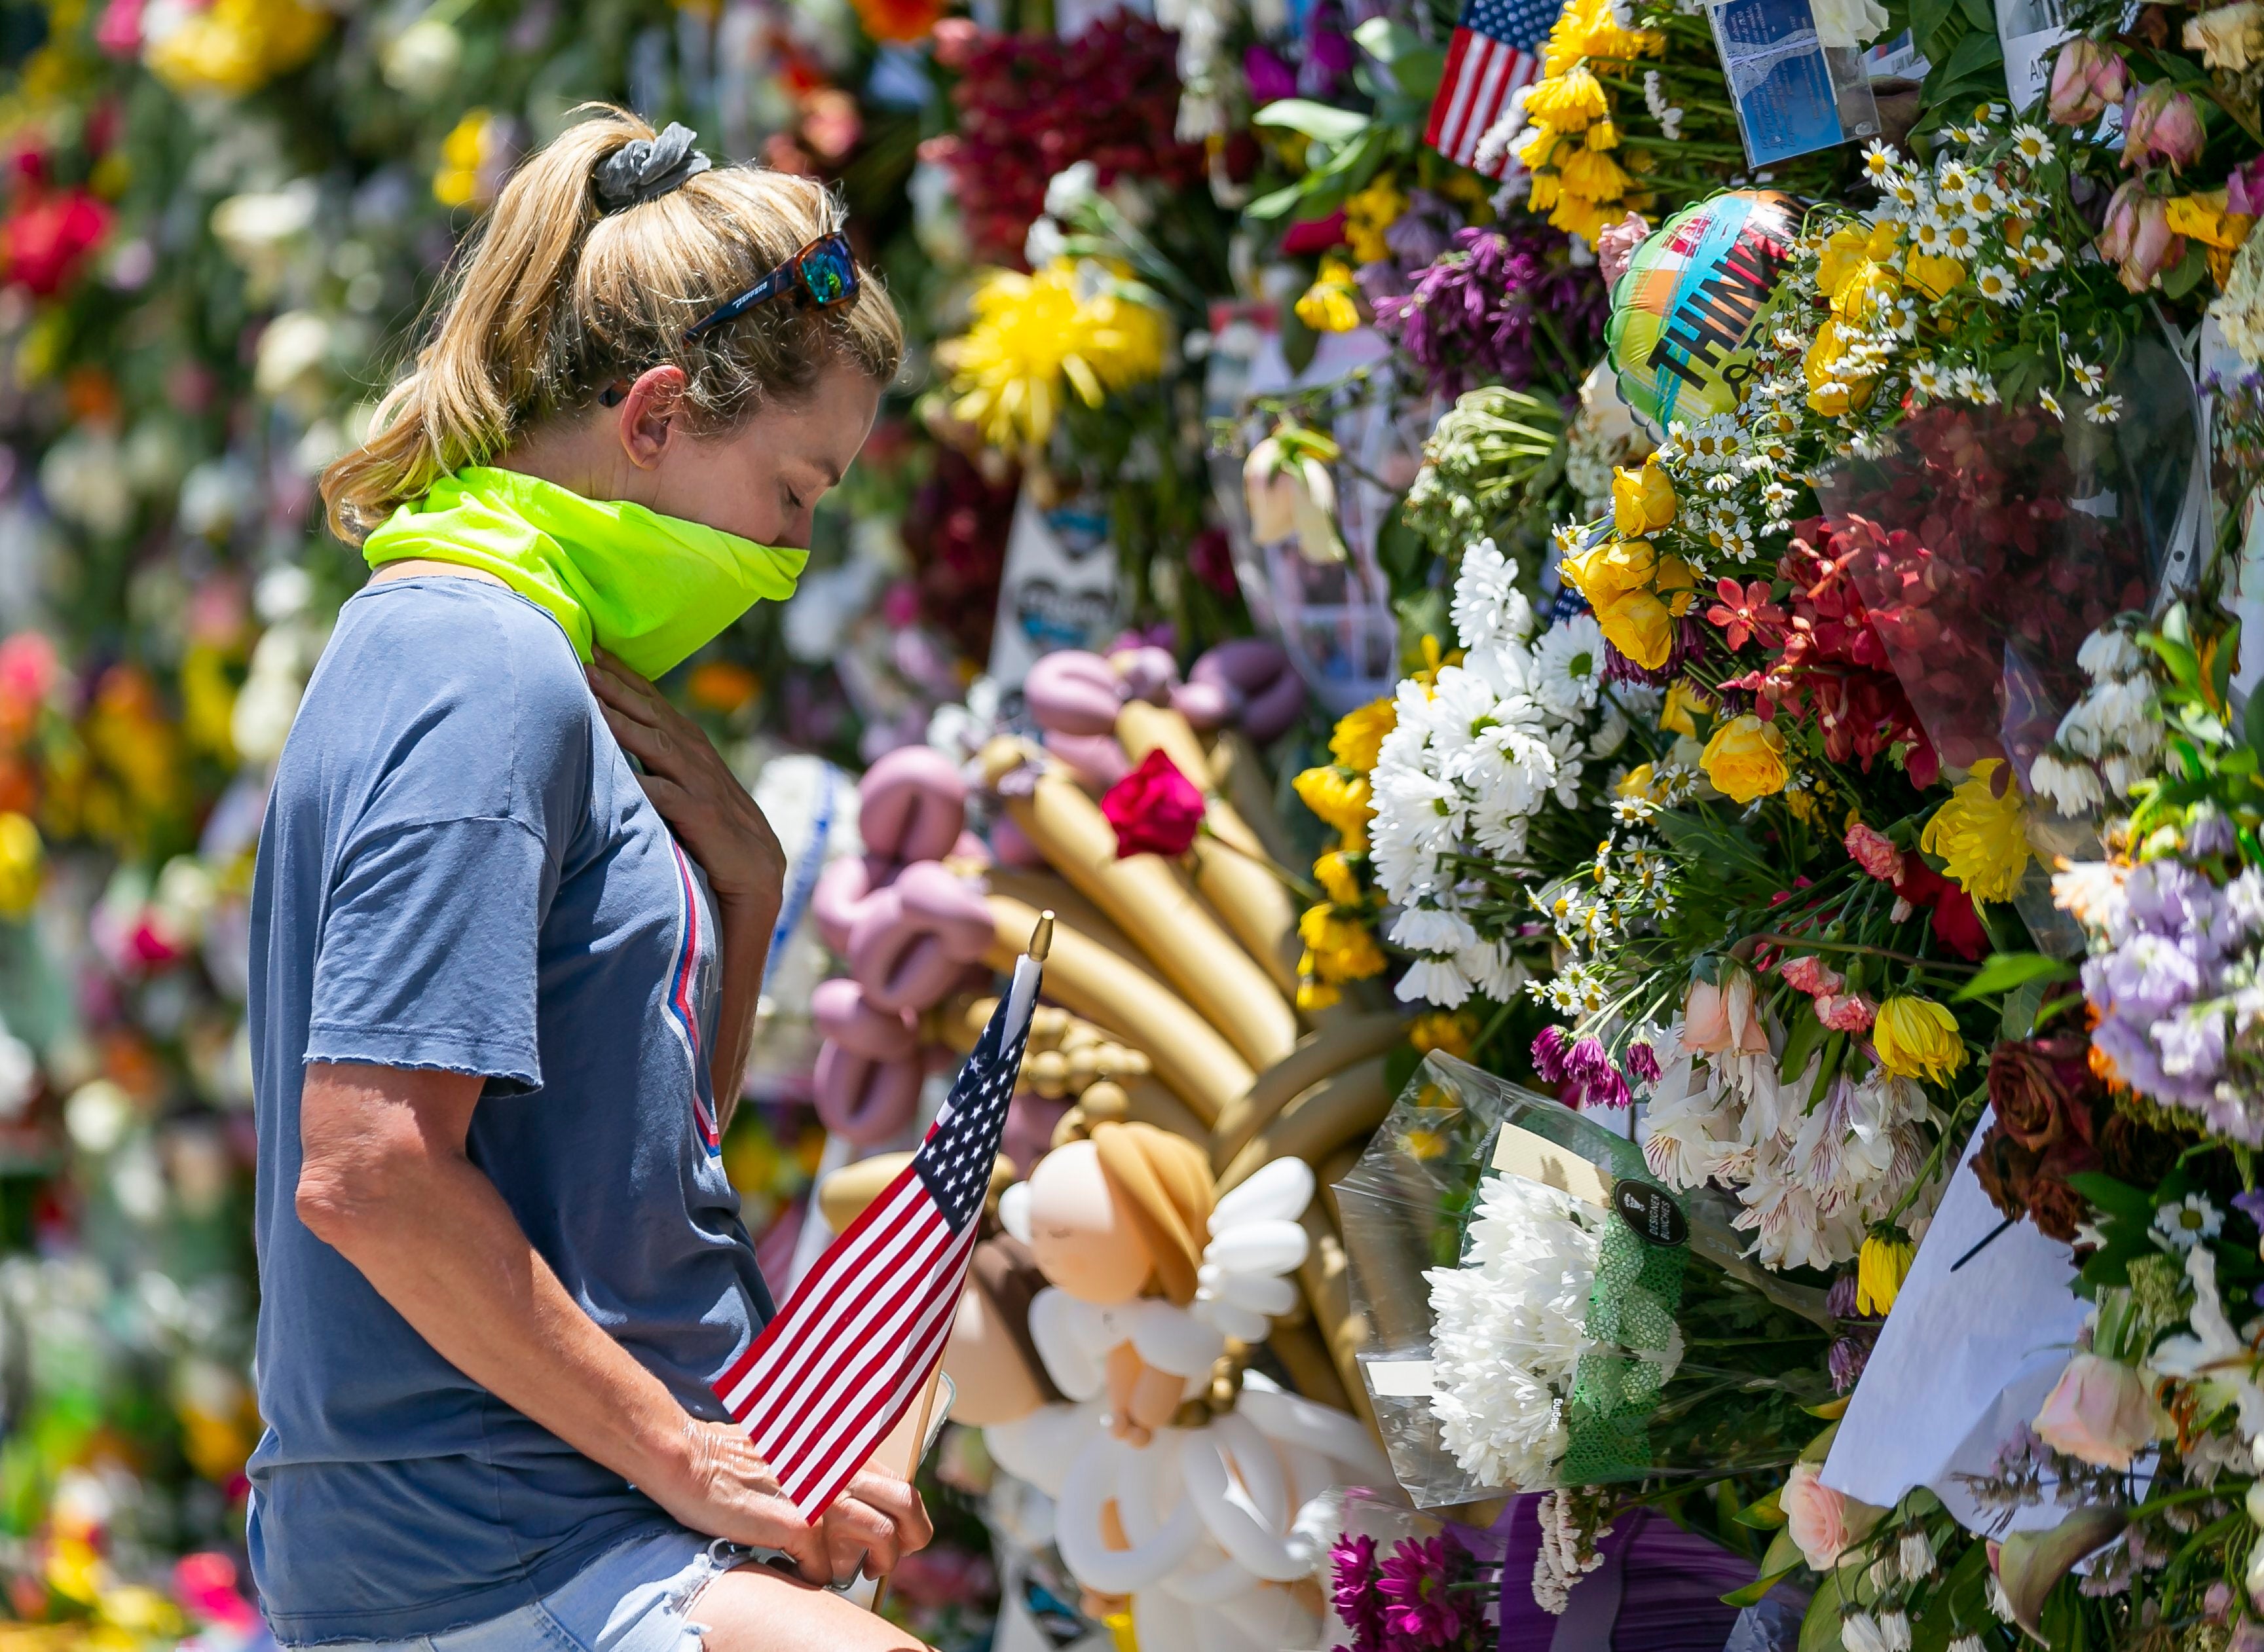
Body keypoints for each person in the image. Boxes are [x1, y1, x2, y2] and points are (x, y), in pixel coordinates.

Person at [248, 107, 933, 1651]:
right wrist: (688, 1455)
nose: (790, 551)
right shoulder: (482, 663)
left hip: (550, 1523)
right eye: (797, 491)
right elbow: (371, 1167)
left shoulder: (495, 645)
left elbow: (617, 1152)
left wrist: (744, 895)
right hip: (503, 1542)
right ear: (655, 416)